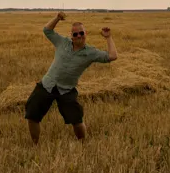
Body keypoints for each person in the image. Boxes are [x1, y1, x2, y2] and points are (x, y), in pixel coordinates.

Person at [24, 11, 118, 144]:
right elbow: (47, 30)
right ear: (71, 36)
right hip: (47, 85)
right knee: (32, 116)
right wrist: (57, 18)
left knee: (77, 120)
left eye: (81, 33)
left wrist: (108, 37)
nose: (78, 36)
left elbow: (112, 56)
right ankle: (35, 145)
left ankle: (83, 144)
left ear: (86, 34)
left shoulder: (90, 53)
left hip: (66, 90)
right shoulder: (63, 42)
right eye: (75, 34)